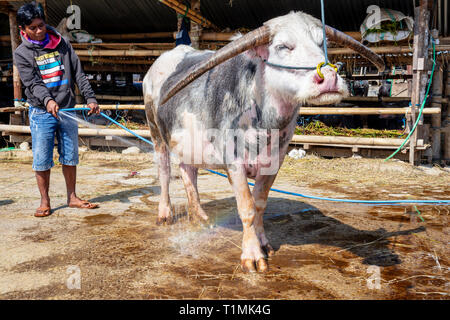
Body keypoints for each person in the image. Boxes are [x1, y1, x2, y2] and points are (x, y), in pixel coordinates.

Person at [14, 2, 100, 217]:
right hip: (41, 112)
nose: (38, 31)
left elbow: (78, 72)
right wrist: (48, 101)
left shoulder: (62, 43)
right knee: (42, 158)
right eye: (32, 28)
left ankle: (72, 197)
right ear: (22, 30)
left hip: (67, 108)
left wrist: (90, 98)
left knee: (70, 155)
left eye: (41, 25)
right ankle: (45, 201)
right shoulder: (22, 53)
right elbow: (32, 83)